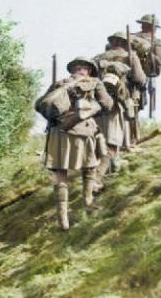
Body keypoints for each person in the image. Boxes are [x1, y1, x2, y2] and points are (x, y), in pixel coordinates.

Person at [36, 57, 113, 229]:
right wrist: (93, 109)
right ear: (89, 70)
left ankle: (63, 218)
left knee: (60, 173)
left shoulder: (60, 83)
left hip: (57, 132)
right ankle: (88, 202)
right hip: (82, 132)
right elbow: (107, 105)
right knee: (90, 167)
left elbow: (40, 104)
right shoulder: (94, 82)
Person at [93, 32, 147, 181]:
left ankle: (105, 170)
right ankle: (103, 176)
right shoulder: (131, 56)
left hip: (98, 103)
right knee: (115, 139)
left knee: (101, 138)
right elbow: (140, 79)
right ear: (125, 43)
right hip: (120, 101)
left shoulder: (98, 58)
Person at [133, 14, 161, 118]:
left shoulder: (130, 37)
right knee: (139, 101)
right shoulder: (155, 41)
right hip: (143, 74)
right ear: (152, 27)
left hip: (128, 73)